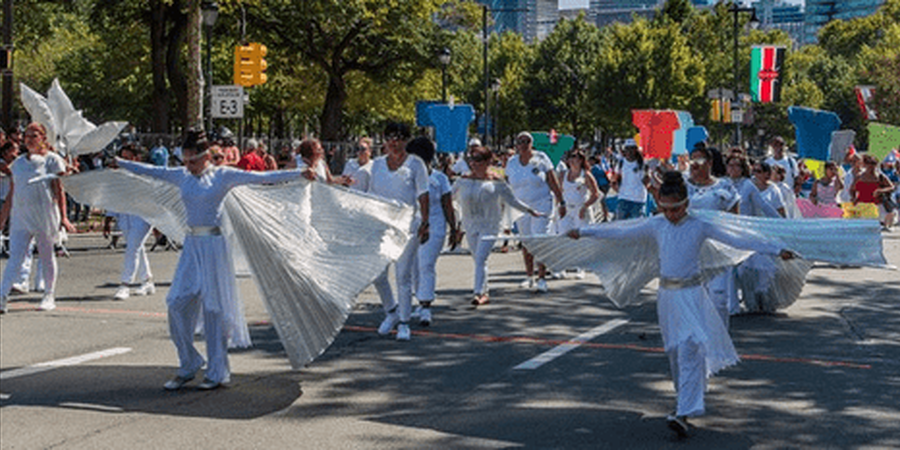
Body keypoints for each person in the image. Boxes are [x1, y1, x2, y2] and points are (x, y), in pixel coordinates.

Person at [567, 171, 796, 438]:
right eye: (665, 209)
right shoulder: (657, 224)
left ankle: (683, 412)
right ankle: (685, 399)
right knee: (676, 352)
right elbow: (621, 231)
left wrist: (776, 248)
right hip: (667, 297)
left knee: (689, 348)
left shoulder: (699, 225)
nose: (671, 214)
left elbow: (739, 238)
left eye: (675, 208)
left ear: (686, 204)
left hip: (692, 295)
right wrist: (583, 231)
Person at [114, 130, 304, 390]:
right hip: (192, 245)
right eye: (185, 160)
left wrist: (298, 173)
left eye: (193, 161)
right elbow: (150, 171)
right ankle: (190, 362)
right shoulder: (181, 176)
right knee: (176, 303)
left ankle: (217, 372)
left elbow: (262, 177)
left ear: (205, 157)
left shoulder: (223, 175)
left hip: (214, 246)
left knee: (214, 310)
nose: (188, 165)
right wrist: (120, 163)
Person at [0, 123, 77, 313]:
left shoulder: (52, 160)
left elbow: (59, 191)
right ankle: (2, 296)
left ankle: (48, 295)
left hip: (45, 216)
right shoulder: (17, 164)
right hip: (21, 218)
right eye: (27, 135)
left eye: (34, 135)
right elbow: (11, 194)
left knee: (46, 256)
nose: (29, 139)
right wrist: (2, 221)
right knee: (15, 259)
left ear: (43, 138)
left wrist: (64, 218)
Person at [366, 122, 429, 341]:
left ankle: (404, 323)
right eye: (390, 137)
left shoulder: (415, 164)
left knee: (403, 275)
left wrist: (425, 222)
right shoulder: (376, 165)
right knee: (378, 273)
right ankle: (391, 312)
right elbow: (369, 194)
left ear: (406, 141)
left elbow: (423, 194)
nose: (395, 142)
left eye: (400, 138)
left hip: (408, 225)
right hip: (383, 226)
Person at [454, 147, 541, 306]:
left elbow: (513, 201)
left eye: (478, 160)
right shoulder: (463, 180)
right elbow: (448, 197)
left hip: (489, 226)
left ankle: (478, 293)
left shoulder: (497, 182)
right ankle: (484, 292)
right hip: (470, 225)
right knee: (478, 260)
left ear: (488, 161)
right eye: (471, 160)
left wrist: (530, 211)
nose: (473, 163)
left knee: (480, 258)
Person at [506, 131, 565, 293]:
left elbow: (553, 181)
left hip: (542, 204)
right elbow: (506, 185)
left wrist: (562, 202)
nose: (523, 145)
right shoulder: (511, 163)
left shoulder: (541, 159)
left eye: (527, 141)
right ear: (516, 145)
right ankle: (529, 276)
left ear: (531, 144)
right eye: (520, 141)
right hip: (521, 206)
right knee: (526, 241)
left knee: (540, 239)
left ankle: (541, 278)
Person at [406, 137, 457, 325]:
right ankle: (420, 301)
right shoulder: (406, 178)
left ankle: (426, 306)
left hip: (435, 226)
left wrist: (454, 229)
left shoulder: (439, 179)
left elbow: (448, 205)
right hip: (411, 226)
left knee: (426, 264)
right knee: (413, 267)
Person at [103, 144, 156, 300]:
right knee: (137, 248)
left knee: (132, 247)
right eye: (122, 157)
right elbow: (113, 198)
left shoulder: (146, 173)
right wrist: (108, 219)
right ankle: (147, 281)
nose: (123, 161)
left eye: (127, 158)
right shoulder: (118, 175)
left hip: (143, 216)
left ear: (136, 158)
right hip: (125, 215)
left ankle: (125, 284)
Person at [850, 154, 895, 231]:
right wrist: (853, 197)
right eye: (869, 163)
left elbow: (892, 187)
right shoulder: (859, 177)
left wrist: (881, 191)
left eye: (873, 164)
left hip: (877, 206)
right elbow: (852, 190)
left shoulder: (880, 176)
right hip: (862, 205)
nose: (871, 166)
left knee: (875, 228)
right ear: (865, 164)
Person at [614, 139, 650, 220]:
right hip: (623, 199)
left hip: (638, 200)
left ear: (635, 150)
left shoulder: (643, 164)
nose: (629, 151)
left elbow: (646, 182)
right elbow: (615, 179)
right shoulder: (621, 163)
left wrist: (648, 175)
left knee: (636, 228)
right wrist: (618, 189)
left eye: (632, 148)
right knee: (620, 226)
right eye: (627, 149)